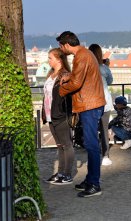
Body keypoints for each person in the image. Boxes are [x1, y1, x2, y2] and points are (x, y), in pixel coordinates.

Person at [57, 31, 106, 197]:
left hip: (90, 105)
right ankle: (91, 179)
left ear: (66, 45)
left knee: (92, 146)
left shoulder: (82, 56)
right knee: (90, 144)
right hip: (91, 104)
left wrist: (61, 90)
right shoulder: (85, 53)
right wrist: (69, 76)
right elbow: (81, 75)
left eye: (60, 46)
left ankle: (94, 184)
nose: (60, 49)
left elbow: (77, 83)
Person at [42, 48, 75, 184]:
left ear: (59, 59)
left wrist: (64, 113)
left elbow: (69, 96)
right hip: (50, 114)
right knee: (60, 145)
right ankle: (60, 172)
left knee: (67, 145)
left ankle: (67, 174)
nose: (48, 60)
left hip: (61, 115)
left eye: (50, 58)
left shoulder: (65, 75)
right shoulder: (51, 74)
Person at [89, 44, 114, 166]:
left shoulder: (87, 68)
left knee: (92, 130)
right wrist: (106, 66)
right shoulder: (103, 68)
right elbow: (110, 81)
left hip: (91, 102)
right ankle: (105, 155)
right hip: (105, 102)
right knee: (104, 130)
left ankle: (93, 153)